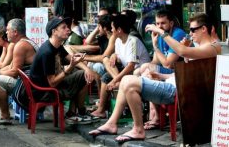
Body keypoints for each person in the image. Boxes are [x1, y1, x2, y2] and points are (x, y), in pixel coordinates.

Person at [89, 13, 221, 143]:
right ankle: (113, 123)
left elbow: (180, 54)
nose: (190, 34)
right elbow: (180, 72)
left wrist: (160, 32)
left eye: (193, 30)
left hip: (178, 91)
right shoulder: (200, 47)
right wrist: (160, 74)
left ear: (204, 29)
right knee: (129, 79)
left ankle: (138, 129)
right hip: (175, 85)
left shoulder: (214, 47)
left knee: (129, 81)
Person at [29, 17, 98, 124]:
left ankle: (74, 112)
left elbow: (72, 59)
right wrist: (68, 69)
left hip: (52, 86)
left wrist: (87, 69)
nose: (68, 30)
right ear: (54, 31)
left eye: (67, 27)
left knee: (85, 74)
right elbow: (52, 83)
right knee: (81, 76)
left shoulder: (57, 46)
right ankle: (79, 112)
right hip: (45, 92)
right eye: (64, 27)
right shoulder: (47, 52)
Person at [133, 9, 186, 129]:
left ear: (171, 23)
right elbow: (155, 61)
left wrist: (155, 46)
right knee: (140, 71)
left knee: (146, 69)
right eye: (157, 24)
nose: (159, 26)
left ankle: (155, 116)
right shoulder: (160, 35)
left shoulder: (177, 34)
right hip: (169, 72)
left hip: (178, 73)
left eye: (163, 23)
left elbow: (168, 64)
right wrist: (146, 70)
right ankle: (148, 113)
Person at [90, 14, 150, 118]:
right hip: (127, 70)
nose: (111, 30)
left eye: (112, 28)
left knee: (111, 79)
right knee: (105, 73)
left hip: (138, 72)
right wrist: (114, 55)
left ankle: (117, 83)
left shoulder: (133, 41)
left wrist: (115, 80)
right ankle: (101, 109)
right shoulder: (118, 40)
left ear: (119, 30)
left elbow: (131, 66)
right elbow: (119, 57)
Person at [0, 18, 38, 125]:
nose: (6, 32)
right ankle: (2, 112)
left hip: (30, 87)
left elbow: (14, 72)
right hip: (29, 82)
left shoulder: (21, 45)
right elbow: (11, 66)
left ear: (15, 32)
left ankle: (5, 116)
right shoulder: (22, 43)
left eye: (8, 30)